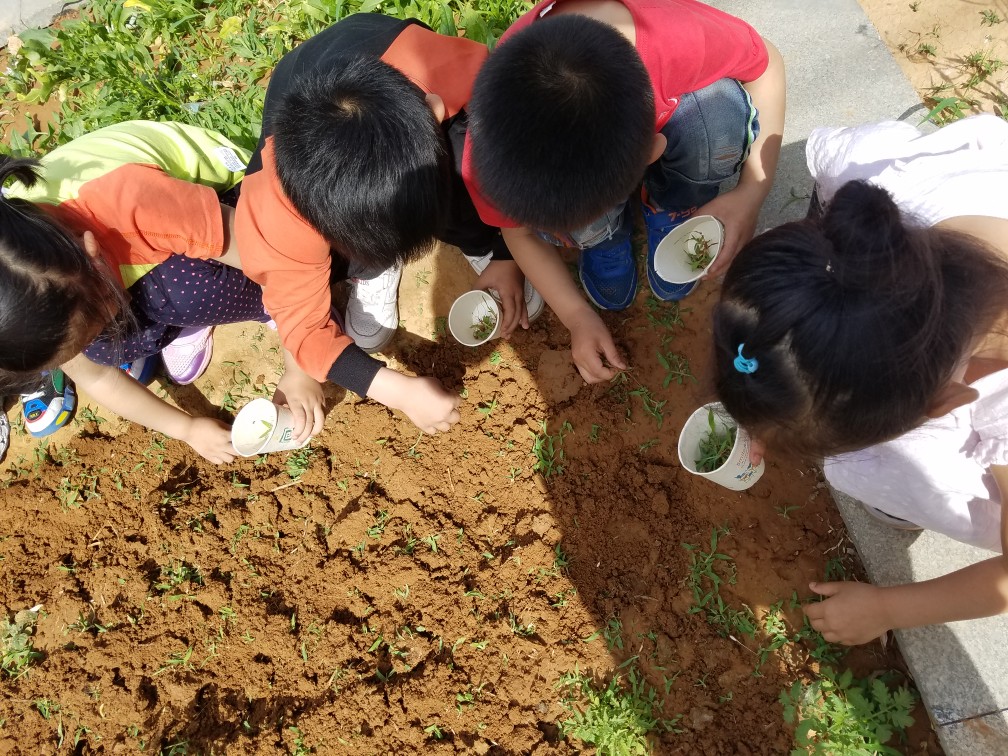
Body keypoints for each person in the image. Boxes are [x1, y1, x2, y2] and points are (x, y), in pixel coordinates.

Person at [711, 114, 1008, 644]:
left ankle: (899, 494)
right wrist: (781, 400)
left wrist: (888, 608)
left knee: (876, 466)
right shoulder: (870, 184)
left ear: (946, 400)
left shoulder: (998, 405)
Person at [235, 13, 543, 442]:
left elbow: (519, 155)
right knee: (352, 249)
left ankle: (480, 238)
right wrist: (398, 392)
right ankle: (370, 269)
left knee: (468, 165)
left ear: (433, 113)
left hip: (383, 50)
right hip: (309, 110)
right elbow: (303, 331)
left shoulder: (457, 77)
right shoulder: (272, 214)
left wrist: (507, 253)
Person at [462, 0, 785, 383]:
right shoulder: (490, 146)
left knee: (717, 109)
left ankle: (672, 202)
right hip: (619, 132)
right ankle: (603, 237)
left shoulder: (677, 37)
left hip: (671, 97)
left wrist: (754, 190)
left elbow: (767, 64)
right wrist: (576, 316)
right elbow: (517, 232)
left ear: (653, 151)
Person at [1, 120, 271, 463]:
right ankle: (185, 324)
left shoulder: (131, 202)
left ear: (90, 253)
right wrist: (187, 429)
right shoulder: (45, 295)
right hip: (143, 253)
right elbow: (98, 377)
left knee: (183, 292)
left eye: (101, 308)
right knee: (99, 349)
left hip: (231, 201)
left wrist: (300, 354)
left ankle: (265, 307)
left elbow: (268, 254)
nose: (106, 328)